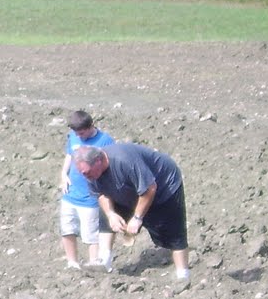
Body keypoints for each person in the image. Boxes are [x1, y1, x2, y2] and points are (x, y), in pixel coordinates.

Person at [72, 142, 191, 280]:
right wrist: (111, 215)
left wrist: (137, 217)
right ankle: (104, 260)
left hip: (163, 187)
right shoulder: (91, 173)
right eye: (83, 174)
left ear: (98, 161)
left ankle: (183, 275)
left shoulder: (124, 161)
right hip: (128, 189)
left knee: (174, 234)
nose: (86, 177)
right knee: (105, 216)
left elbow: (150, 188)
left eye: (87, 173)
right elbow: (101, 193)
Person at [58, 110, 113, 270]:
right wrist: (63, 174)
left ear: (91, 126)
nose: (79, 136)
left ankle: (94, 264)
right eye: (76, 133)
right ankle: (72, 263)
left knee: (91, 235)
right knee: (67, 229)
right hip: (70, 194)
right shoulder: (73, 137)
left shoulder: (105, 141)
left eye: (82, 133)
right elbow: (69, 155)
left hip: (90, 198)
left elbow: (109, 166)